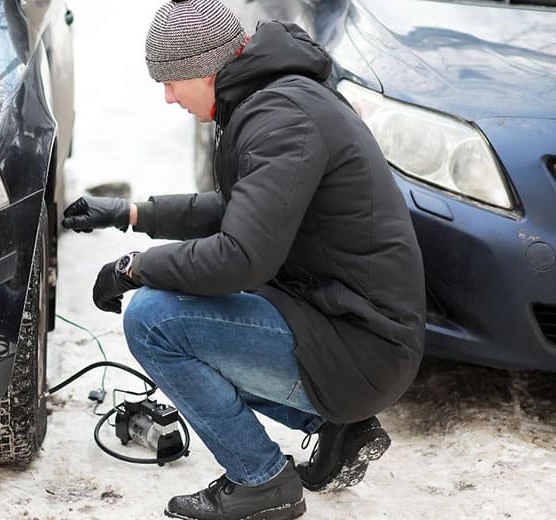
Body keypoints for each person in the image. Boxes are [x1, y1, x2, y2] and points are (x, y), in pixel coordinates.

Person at [62, 0, 425, 518]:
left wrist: (135, 267)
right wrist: (132, 212)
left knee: (154, 319)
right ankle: (336, 429)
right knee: (195, 308)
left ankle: (261, 480)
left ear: (206, 69)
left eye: (172, 81)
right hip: (347, 327)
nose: (168, 97)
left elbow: (242, 256)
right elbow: (241, 211)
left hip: (361, 347)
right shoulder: (274, 101)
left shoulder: (280, 119)